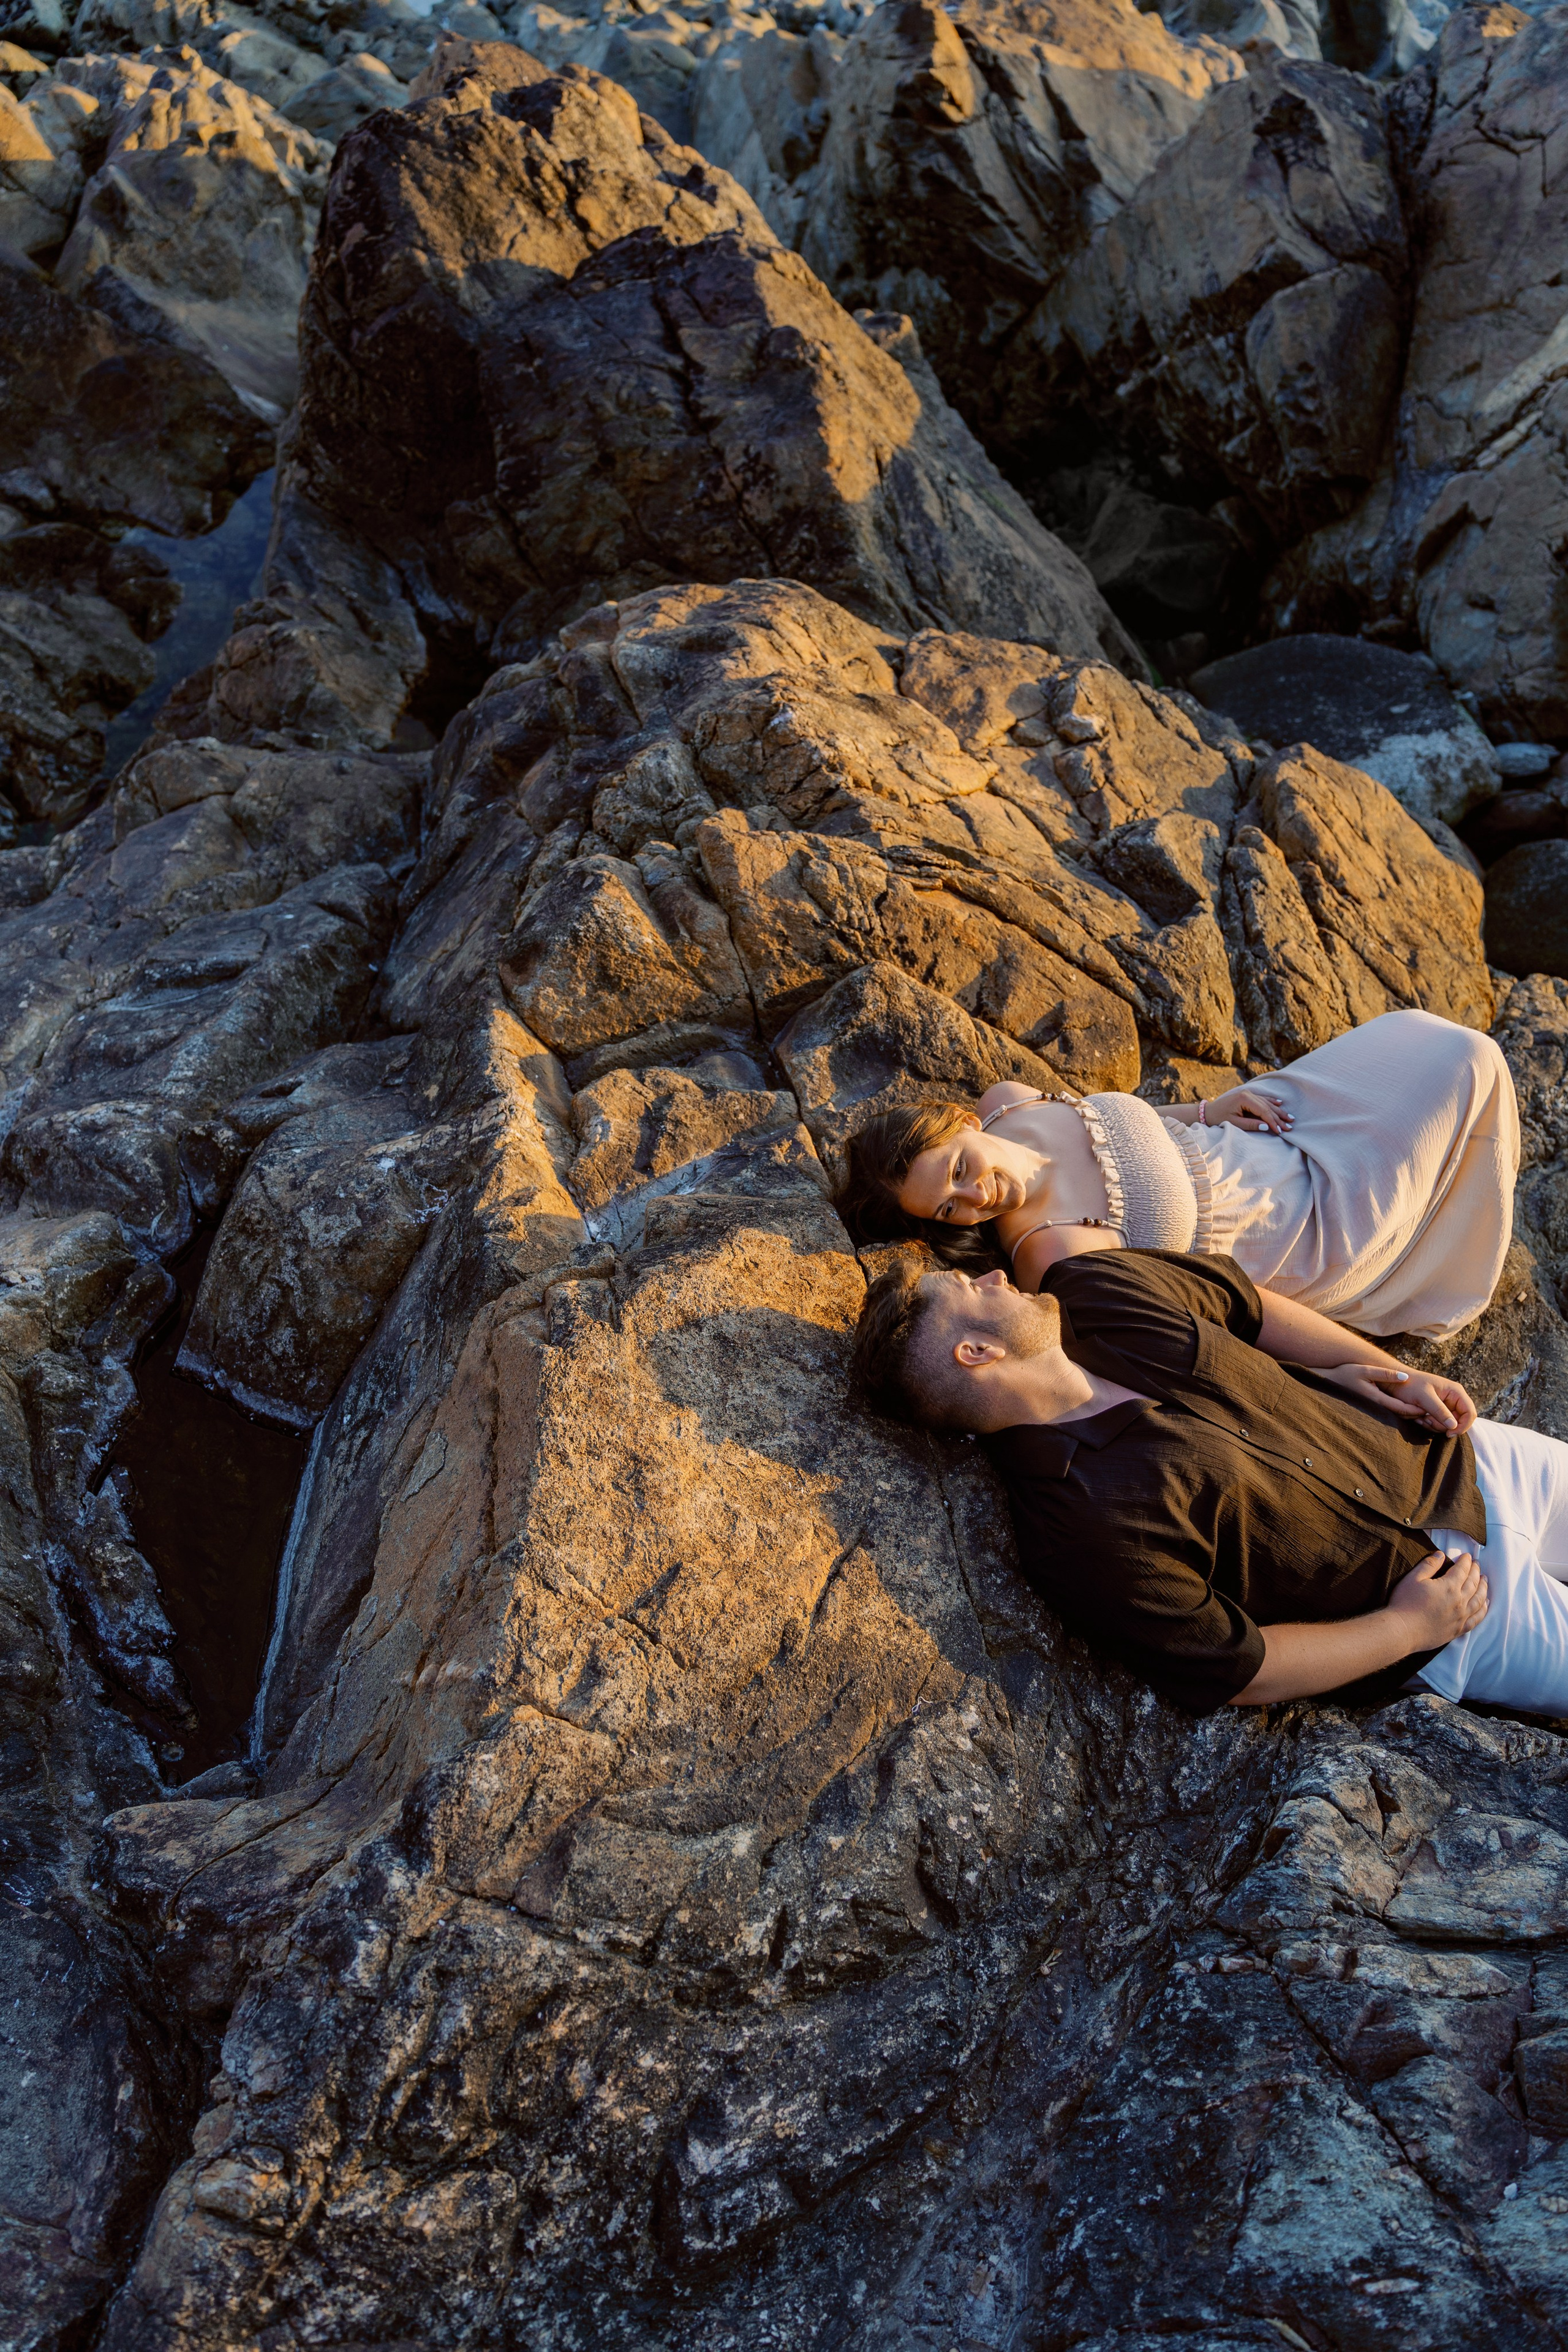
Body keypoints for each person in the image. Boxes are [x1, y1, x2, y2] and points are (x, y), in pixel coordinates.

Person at [851, 1247, 1568, 1717]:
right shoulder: (1075, 1531)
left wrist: (1386, 1373)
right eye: (972, 1288)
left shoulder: (1095, 1287)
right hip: (1462, 1611)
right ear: (976, 1352)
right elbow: (1243, 1670)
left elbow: (1248, 1306)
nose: (993, 1274)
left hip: (1467, 1458)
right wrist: (1408, 1629)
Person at [837, 1008, 1518, 1340]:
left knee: (1428, 1040)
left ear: (965, 1122)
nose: (973, 1198)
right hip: (1297, 1227)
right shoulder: (1049, 1253)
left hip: (1256, 1132)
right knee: (1473, 1064)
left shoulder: (1009, 1102)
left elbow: (1115, 1123)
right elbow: (1201, 1312)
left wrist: (1208, 1108)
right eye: (948, 1210)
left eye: (959, 1169)